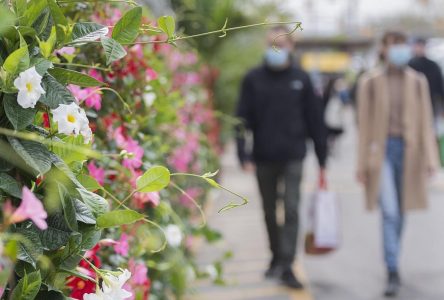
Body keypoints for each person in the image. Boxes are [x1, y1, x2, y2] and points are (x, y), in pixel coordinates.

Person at [236, 26, 327, 289]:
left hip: (293, 156)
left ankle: (287, 264)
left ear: (291, 47)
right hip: (263, 156)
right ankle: (275, 256)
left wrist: (322, 161)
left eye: (282, 44)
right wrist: (242, 153)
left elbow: (315, 120)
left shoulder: (302, 78)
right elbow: (242, 118)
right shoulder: (253, 78)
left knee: (291, 208)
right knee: (268, 210)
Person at [356, 31, 440, 297]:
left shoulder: (417, 81)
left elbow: (426, 122)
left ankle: (393, 256)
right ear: (383, 50)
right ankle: (392, 268)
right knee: (390, 211)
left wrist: (431, 159)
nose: (400, 51)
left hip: (410, 151)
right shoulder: (370, 82)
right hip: (381, 153)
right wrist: (361, 165)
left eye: (402, 45)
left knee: (402, 212)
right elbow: (364, 126)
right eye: (394, 46)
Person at [409, 37, 444, 118]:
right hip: (412, 103)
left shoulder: (433, 65)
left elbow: (440, 86)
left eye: (421, 46)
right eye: (417, 46)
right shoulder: (409, 65)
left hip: (430, 102)